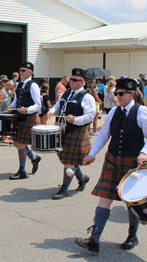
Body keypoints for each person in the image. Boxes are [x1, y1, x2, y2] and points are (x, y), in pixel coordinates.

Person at [75, 78, 147, 253]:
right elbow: (104, 135)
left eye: (121, 94)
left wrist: (144, 153)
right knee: (104, 199)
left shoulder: (142, 112)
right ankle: (94, 240)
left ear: (131, 94)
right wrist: (91, 154)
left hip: (132, 161)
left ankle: (132, 235)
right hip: (112, 160)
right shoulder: (113, 112)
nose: (117, 96)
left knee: (133, 201)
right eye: (116, 93)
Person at [47, 68, 95, 199]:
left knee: (68, 161)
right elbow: (58, 106)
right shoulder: (66, 93)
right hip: (63, 129)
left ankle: (64, 189)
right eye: (71, 80)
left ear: (83, 82)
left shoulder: (87, 97)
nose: (71, 82)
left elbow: (90, 115)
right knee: (67, 160)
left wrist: (76, 120)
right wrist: (52, 111)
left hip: (77, 130)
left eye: (75, 80)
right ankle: (82, 178)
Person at [8, 62, 42, 180]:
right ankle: (34, 158)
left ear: (30, 72)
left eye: (23, 71)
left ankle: (22, 171)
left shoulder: (33, 86)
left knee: (21, 143)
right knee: (16, 142)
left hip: (29, 117)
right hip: (19, 116)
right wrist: (11, 108)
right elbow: (15, 100)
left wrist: (27, 110)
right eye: (20, 70)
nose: (20, 73)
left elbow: (38, 105)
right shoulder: (18, 85)